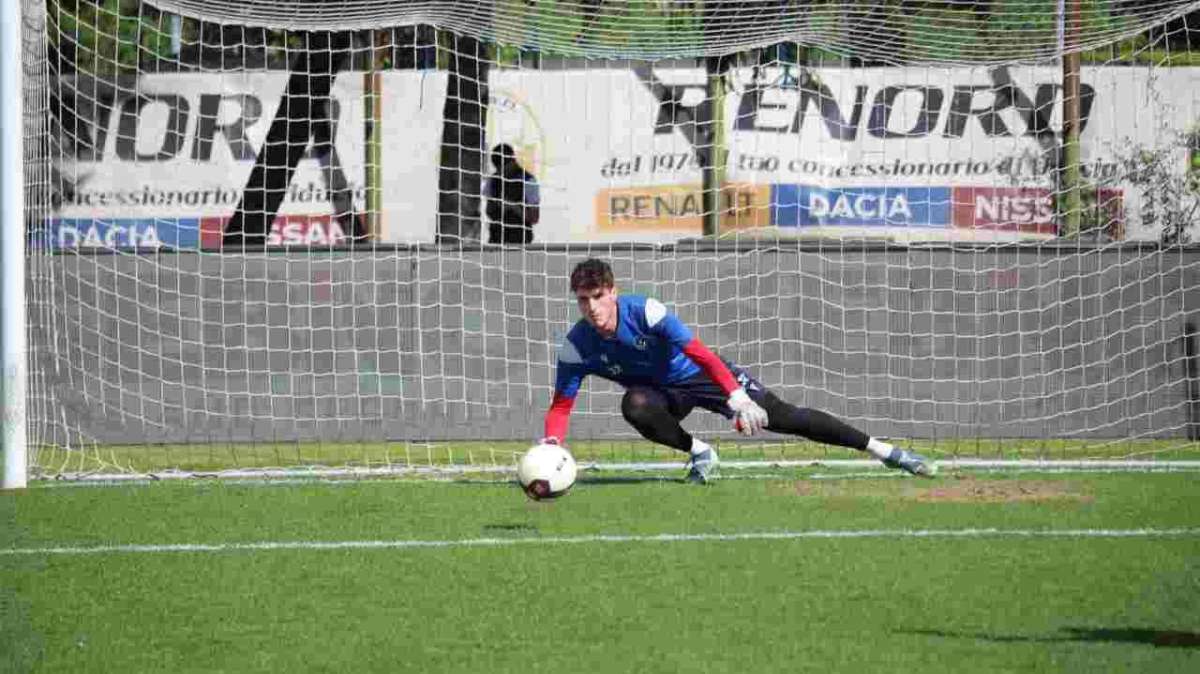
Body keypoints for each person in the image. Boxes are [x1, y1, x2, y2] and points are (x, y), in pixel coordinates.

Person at [541, 258, 937, 483]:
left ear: (612, 291)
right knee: (635, 404)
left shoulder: (645, 310)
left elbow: (703, 354)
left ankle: (886, 452)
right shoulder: (577, 345)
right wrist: (552, 445)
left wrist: (736, 396)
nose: (591, 307)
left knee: (784, 417)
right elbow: (561, 406)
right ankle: (700, 453)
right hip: (662, 395)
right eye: (582, 300)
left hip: (701, 376)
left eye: (597, 296)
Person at [485, 143, 540, 244]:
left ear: (513, 161)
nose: (502, 172)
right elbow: (489, 211)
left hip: (520, 240)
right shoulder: (493, 180)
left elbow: (534, 218)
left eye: (504, 167)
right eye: (498, 169)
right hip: (497, 238)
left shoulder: (529, 180)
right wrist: (499, 208)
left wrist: (514, 207)